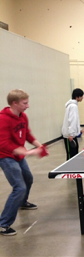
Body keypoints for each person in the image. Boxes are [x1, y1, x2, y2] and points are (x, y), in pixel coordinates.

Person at [0, 89, 46, 236]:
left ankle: (22, 202)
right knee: (19, 188)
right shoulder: (3, 119)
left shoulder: (23, 116)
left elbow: (27, 134)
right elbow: (3, 144)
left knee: (28, 179)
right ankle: (3, 224)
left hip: (18, 156)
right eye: (25, 103)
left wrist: (39, 146)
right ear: (14, 103)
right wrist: (26, 152)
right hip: (6, 156)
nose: (28, 106)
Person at [62, 88, 84, 160]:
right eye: (81, 96)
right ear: (77, 97)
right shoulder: (73, 106)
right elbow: (71, 120)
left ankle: (73, 170)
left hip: (72, 135)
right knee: (70, 155)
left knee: (74, 154)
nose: (82, 97)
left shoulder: (73, 106)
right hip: (69, 136)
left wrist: (79, 129)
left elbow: (75, 120)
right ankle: (68, 170)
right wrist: (71, 134)